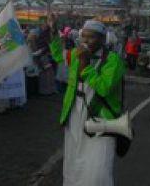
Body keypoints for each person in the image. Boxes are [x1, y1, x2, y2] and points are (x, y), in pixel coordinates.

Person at [49, 18, 126, 186]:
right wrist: (53, 33)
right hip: (75, 114)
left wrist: (85, 65)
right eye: (83, 36)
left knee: (99, 168)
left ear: (102, 39)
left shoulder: (113, 60)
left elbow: (104, 88)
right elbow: (58, 55)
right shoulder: (76, 54)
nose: (86, 41)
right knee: (74, 160)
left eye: (91, 37)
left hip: (102, 119)